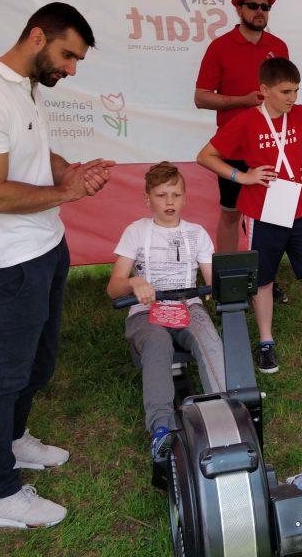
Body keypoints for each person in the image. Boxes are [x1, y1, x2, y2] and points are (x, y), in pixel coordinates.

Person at [0, 2, 116, 529]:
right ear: (37, 37)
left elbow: (35, 159)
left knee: (39, 366)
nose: (71, 69)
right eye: (68, 55)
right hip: (10, 260)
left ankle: (15, 441)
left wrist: (72, 171)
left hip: (47, 245)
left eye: (78, 60)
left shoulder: (25, 89)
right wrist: (64, 191)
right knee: (5, 377)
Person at [196, 57, 302, 375]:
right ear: (264, 90)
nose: (293, 98)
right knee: (264, 282)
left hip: (299, 211)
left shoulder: (300, 115)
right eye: (286, 91)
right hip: (262, 213)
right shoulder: (246, 121)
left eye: (296, 90)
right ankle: (266, 343)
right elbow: (205, 156)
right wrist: (241, 177)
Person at [106, 162, 225, 460]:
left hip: (187, 305)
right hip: (147, 311)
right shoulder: (136, 231)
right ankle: (161, 428)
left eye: (175, 194)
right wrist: (133, 282)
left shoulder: (196, 233)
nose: (169, 202)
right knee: (157, 343)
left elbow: (213, 281)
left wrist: (219, 289)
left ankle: (224, 414)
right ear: (147, 199)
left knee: (209, 339)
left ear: (185, 197)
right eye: (161, 195)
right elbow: (114, 287)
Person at [195, 0, 288, 304]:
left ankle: (266, 279)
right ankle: (228, 277)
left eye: (266, 7)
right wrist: (242, 101)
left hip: (272, 145)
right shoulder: (219, 47)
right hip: (234, 148)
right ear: (238, 8)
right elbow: (201, 98)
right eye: (253, 5)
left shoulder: (278, 45)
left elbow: (285, 93)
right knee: (231, 212)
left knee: (273, 214)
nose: (260, 11)